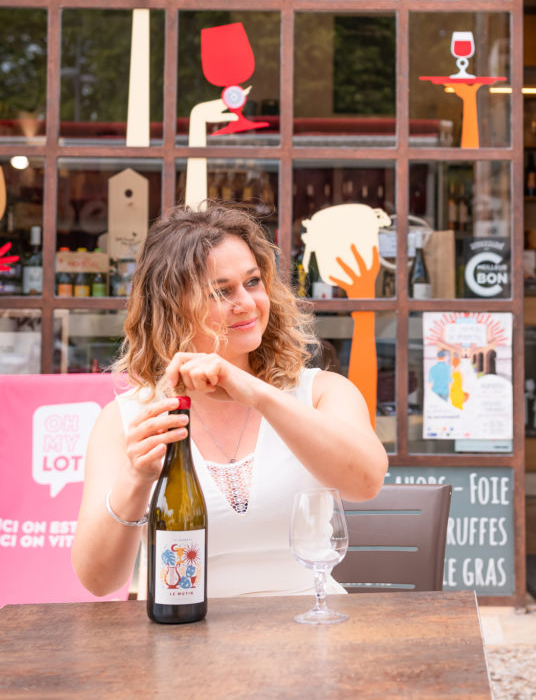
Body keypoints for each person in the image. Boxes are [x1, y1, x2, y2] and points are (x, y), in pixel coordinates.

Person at [72, 202, 388, 599]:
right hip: (188, 639)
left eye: (253, 282)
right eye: (221, 291)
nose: (246, 303)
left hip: (312, 633)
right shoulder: (131, 419)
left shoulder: (322, 391)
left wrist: (259, 394)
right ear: (172, 308)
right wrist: (136, 478)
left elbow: (367, 481)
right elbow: (99, 581)